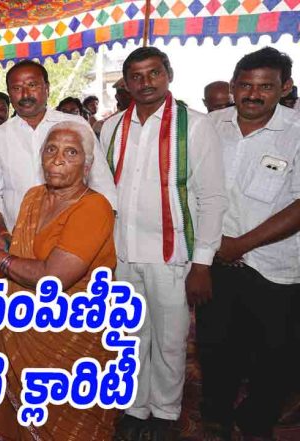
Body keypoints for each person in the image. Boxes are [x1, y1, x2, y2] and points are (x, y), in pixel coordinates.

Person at [0, 121, 117, 440]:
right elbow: (23, 250)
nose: (57, 159)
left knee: (71, 423)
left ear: (87, 163)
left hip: (71, 338)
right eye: (51, 150)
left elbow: (51, 276)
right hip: (24, 331)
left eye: (71, 152)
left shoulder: (94, 208)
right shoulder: (33, 197)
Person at [99, 47, 227, 440]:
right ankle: (135, 408)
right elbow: (103, 193)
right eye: (136, 76)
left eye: (153, 73)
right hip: (122, 252)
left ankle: (165, 413)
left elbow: (212, 198)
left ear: (168, 74)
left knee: (171, 340)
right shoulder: (112, 127)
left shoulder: (196, 126)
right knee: (130, 337)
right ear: (126, 83)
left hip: (172, 255)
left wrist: (202, 262)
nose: (145, 83)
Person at [201, 47, 299, 441]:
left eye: (265, 87)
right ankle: (216, 418)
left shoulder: (296, 133)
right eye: (245, 85)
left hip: (275, 267)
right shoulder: (209, 126)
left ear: (285, 88)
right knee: (215, 349)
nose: (253, 94)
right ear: (233, 85)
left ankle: (256, 421)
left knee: (274, 357)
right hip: (214, 263)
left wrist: (240, 244)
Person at [0, 59, 117, 241]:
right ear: (9, 94)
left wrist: (101, 229)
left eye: (32, 85)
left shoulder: (75, 126)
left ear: (47, 88)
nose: (25, 94)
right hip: (19, 241)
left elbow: (102, 183)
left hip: (76, 238)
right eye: (17, 88)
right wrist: (4, 233)